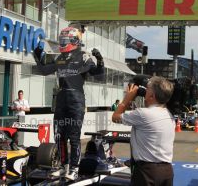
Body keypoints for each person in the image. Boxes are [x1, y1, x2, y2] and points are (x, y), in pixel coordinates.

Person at [33, 26, 104, 180]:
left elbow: (98, 75)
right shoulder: (60, 58)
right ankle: (63, 166)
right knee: (59, 136)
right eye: (62, 40)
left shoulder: (84, 56)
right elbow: (44, 70)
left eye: (65, 40)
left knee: (74, 136)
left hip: (76, 100)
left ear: (75, 40)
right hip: (61, 99)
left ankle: (74, 168)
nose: (63, 42)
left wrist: (100, 60)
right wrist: (37, 56)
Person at [112, 76, 175, 186]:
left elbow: (115, 117)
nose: (144, 91)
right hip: (167, 171)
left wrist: (127, 98)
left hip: (147, 172)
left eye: (147, 89)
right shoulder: (169, 115)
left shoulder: (143, 114)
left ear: (152, 96)